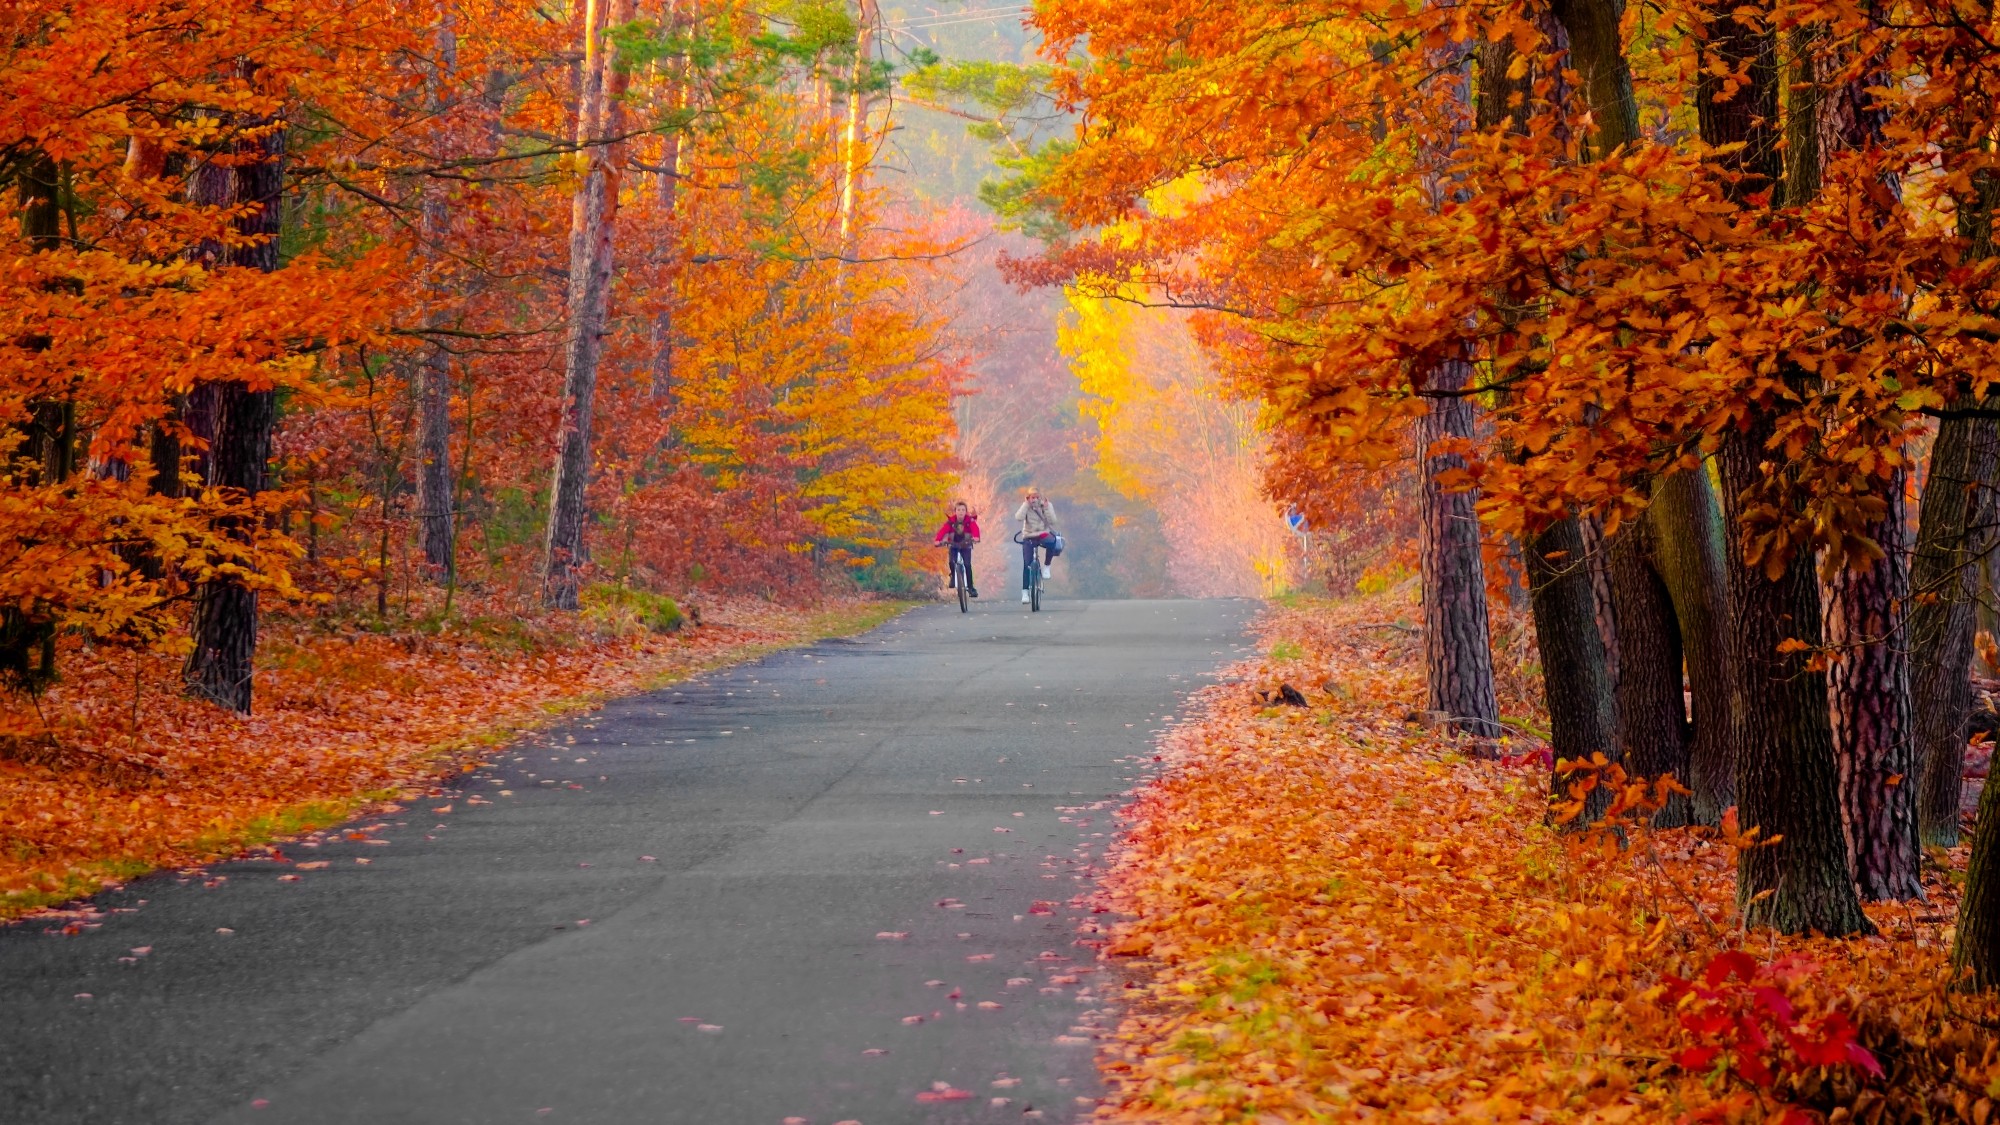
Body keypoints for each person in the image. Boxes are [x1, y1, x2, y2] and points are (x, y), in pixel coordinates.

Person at [1013, 487, 1059, 603]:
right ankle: (1025, 592)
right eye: (1032, 497)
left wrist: (1046, 507)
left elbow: (1053, 521)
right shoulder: (1026, 506)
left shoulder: (1047, 505)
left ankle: (1047, 566)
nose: (1035, 500)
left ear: (1041, 497)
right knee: (1027, 564)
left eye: (1037, 497)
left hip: (1043, 534)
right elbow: (1018, 517)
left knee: (1052, 541)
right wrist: (1025, 505)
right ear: (1028, 498)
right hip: (1029, 535)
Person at [932, 500, 980, 597]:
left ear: (966, 511)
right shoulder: (951, 521)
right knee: (951, 562)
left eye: (963, 510)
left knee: (967, 565)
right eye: (958, 510)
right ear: (955, 511)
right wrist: (938, 540)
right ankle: (953, 576)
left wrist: (976, 537)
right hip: (953, 544)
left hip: (966, 545)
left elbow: (975, 529)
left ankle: (970, 587)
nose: (961, 512)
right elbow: (943, 530)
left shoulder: (970, 521)